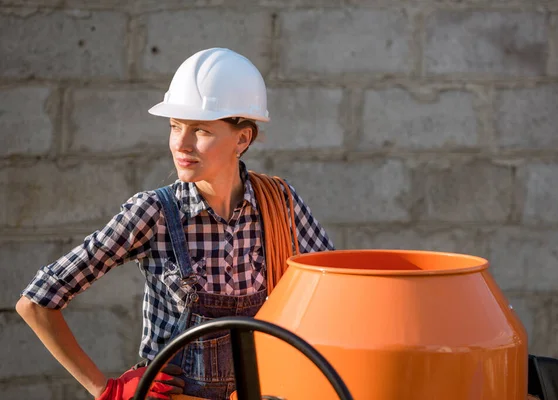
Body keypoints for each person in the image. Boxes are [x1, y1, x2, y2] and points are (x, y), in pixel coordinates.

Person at [16, 48, 334, 400]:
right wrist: (106, 389)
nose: (180, 144)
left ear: (242, 139)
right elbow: (36, 302)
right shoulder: (153, 213)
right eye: (174, 126)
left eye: (200, 130)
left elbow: (335, 294)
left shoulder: (279, 204)